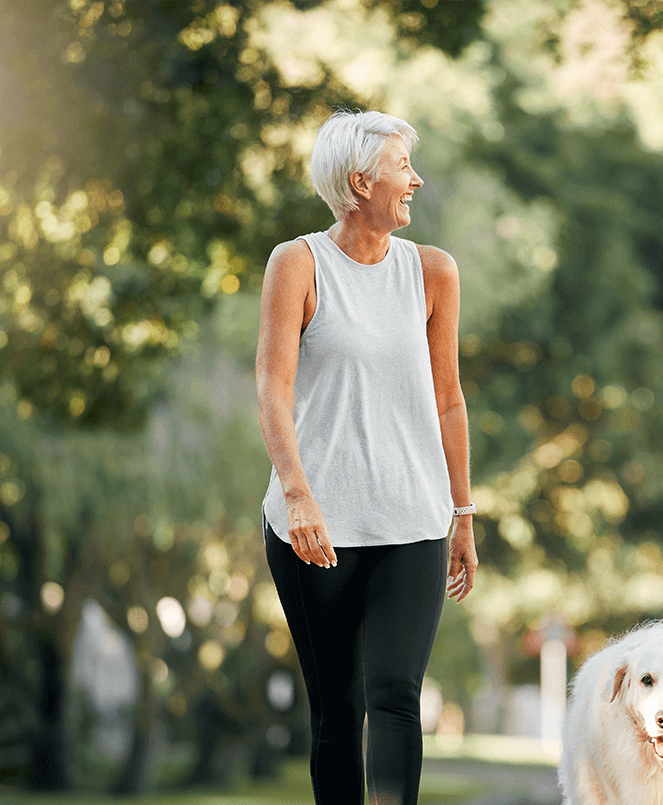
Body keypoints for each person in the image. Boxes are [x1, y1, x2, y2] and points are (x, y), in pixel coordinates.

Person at [256, 109, 477, 805]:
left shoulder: (433, 271)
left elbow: (449, 399)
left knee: (395, 695)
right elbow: (273, 386)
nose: (415, 179)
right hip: (314, 525)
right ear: (360, 181)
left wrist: (463, 510)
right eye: (401, 167)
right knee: (335, 709)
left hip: (411, 520)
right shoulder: (298, 263)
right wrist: (297, 494)